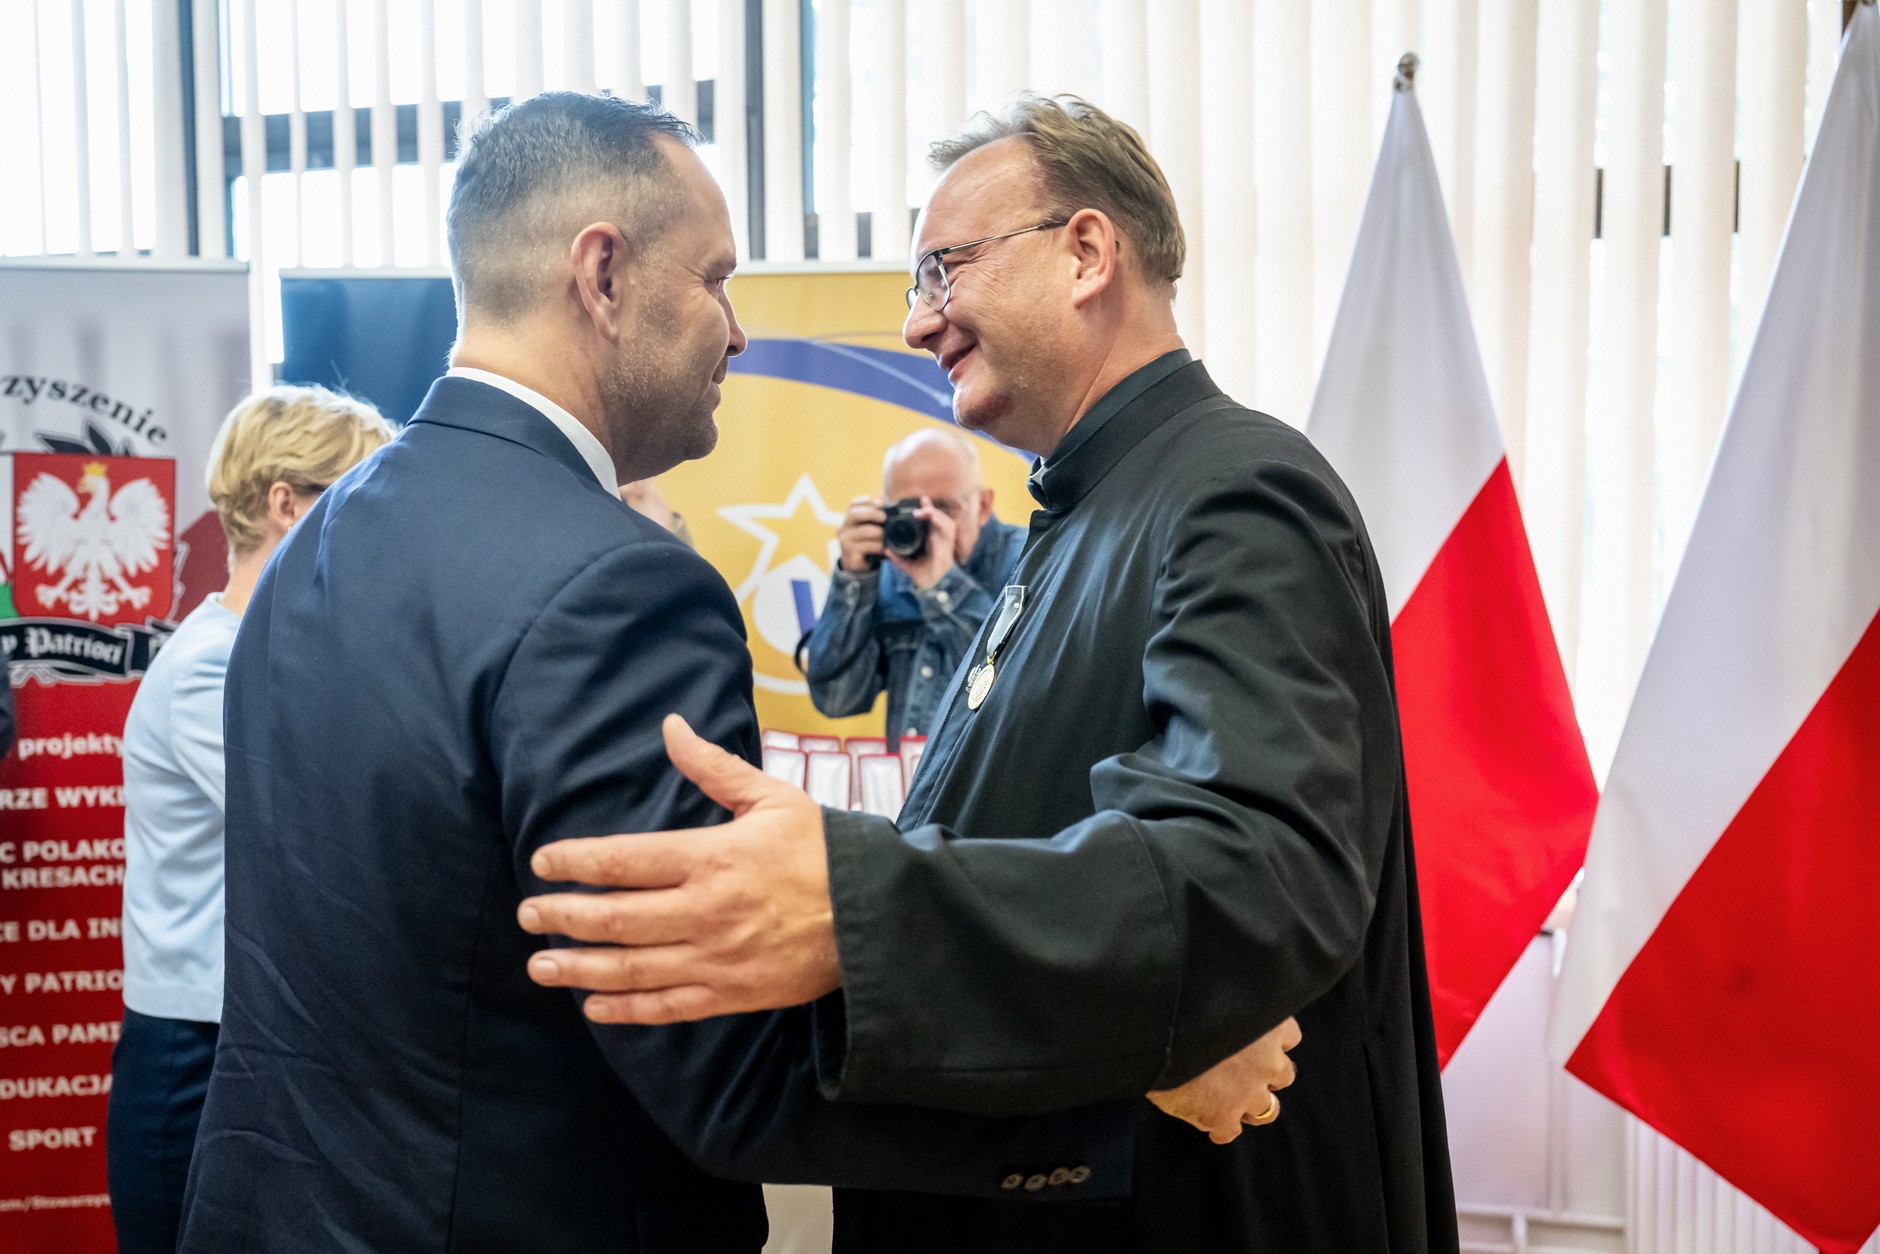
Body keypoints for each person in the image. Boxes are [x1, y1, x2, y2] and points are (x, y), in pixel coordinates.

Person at [178, 93, 1159, 1254]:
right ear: (601, 274)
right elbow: (725, 1071)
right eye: (713, 281)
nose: (735, 332)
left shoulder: (319, 544)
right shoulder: (614, 589)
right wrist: (1118, 1100)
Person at [520, 93, 1459, 1253]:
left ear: (1083, 252)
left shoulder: (1235, 491)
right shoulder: (1086, 505)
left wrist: (847, 905)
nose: (919, 324)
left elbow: (1252, 873)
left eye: (940, 271)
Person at [107, 386, 395, 1253]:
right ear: (287, 506)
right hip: (192, 1055)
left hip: (249, 1039)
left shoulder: (268, 648)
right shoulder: (210, 667)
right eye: (361, 498)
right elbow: (325, 831)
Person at [806, 427, 1024, 746]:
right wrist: (853, 579)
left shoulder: (1027, 563)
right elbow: (836, 700)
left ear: (983, 505)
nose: (927, 523)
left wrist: (942, 585)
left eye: (943, 508)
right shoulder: (885, 570)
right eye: (908, 508)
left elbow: (1018, 701)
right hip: (910, 790)